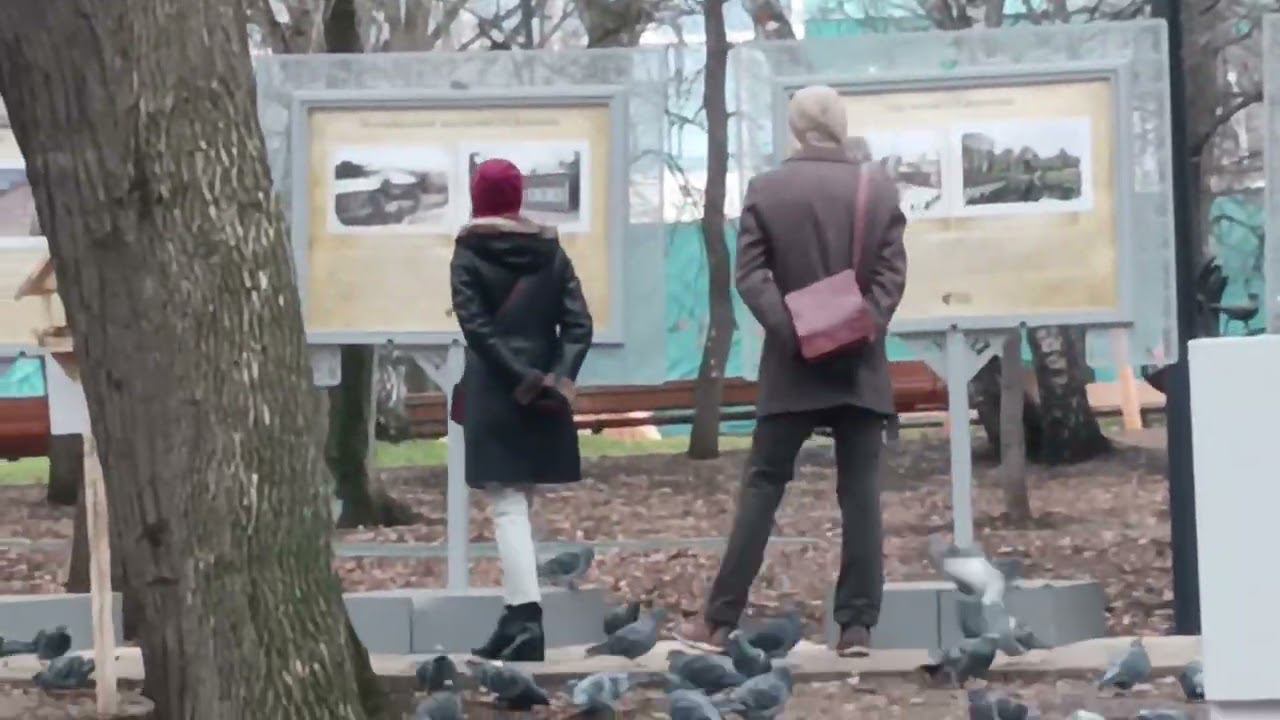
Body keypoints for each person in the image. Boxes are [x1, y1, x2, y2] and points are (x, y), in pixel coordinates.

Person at [676, 85, 908, 657]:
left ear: (796, 128)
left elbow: (751, 275)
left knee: (762, 487)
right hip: (859, 368)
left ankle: (718, 620)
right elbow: (891, 275)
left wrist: (796, 330)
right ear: (840, 125)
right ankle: (856, 628)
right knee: (860, 496)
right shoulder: (877, 189)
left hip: (790, 367)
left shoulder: (768, 188)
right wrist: (859, 326)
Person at [450, 158, 593, 662]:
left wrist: (520, 379)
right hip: (543, 395)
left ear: (478, 198)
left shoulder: (468, 252)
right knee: (519, 504)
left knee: (508, 505)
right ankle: (514, 616)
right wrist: (554, 380)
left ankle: (527, 619)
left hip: (496, 390)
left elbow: (477, 329)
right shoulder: (551, 251)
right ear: (517, 199)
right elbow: (578, 325)